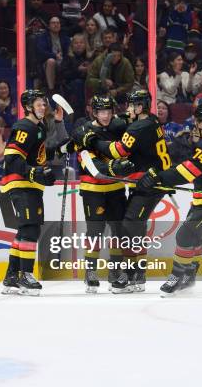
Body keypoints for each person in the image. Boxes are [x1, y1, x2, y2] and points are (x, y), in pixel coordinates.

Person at [136, 103, 202, 295]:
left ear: (201, 124)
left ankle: (177, 276)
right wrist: (166, 176)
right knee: (196, 236)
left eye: (197, 121)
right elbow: (196, 164)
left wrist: (158, 178)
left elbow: (188, 171)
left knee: (184, 235)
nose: (195, 124)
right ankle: (189, 276)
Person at [77, 90, 172, 292]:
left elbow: (116, 151)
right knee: (123, 228)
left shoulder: (135, 127)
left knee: (128, 226)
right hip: (139, 182)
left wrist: (92, 140)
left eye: (130, 105)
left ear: (139, 107)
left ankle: (131, 275)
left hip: (144, 184)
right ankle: (126, 274)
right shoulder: (151, 121)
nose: (126, 109)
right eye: (101, 111)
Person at [58, 96, 134, 293]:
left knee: (118, 231)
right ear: (94, 112)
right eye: (102, 112)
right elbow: (86, 161)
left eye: (108, 111)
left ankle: (115, 270)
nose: (106, 115)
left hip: (116, 188)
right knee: (95, 232)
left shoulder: (117, 127)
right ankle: (90, 271)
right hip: (93, 189)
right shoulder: (84, 131)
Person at [0, 90, 58, 296]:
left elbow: (42, 153)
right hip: (20, 183)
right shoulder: (24, 126)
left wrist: (60, 146)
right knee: (31, 229)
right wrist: (34, 172)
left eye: (44, 104)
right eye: (39, 104)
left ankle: (12, 276)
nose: (44, 107)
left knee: (25, 229)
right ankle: (26, 274)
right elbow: (11, 158)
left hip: (29, 184)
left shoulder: (39, 127)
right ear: (28, 107)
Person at [35, 16, 70, 93]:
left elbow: (69, 52)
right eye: (53, 23)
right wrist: (54, 56)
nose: (56, 25)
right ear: (49, 26)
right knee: (51, 61)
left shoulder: (65, 37)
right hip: (47, 63)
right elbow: (41, 52)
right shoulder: (43, 37)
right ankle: (51, 90)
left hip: (63, 62)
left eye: (58, 23)